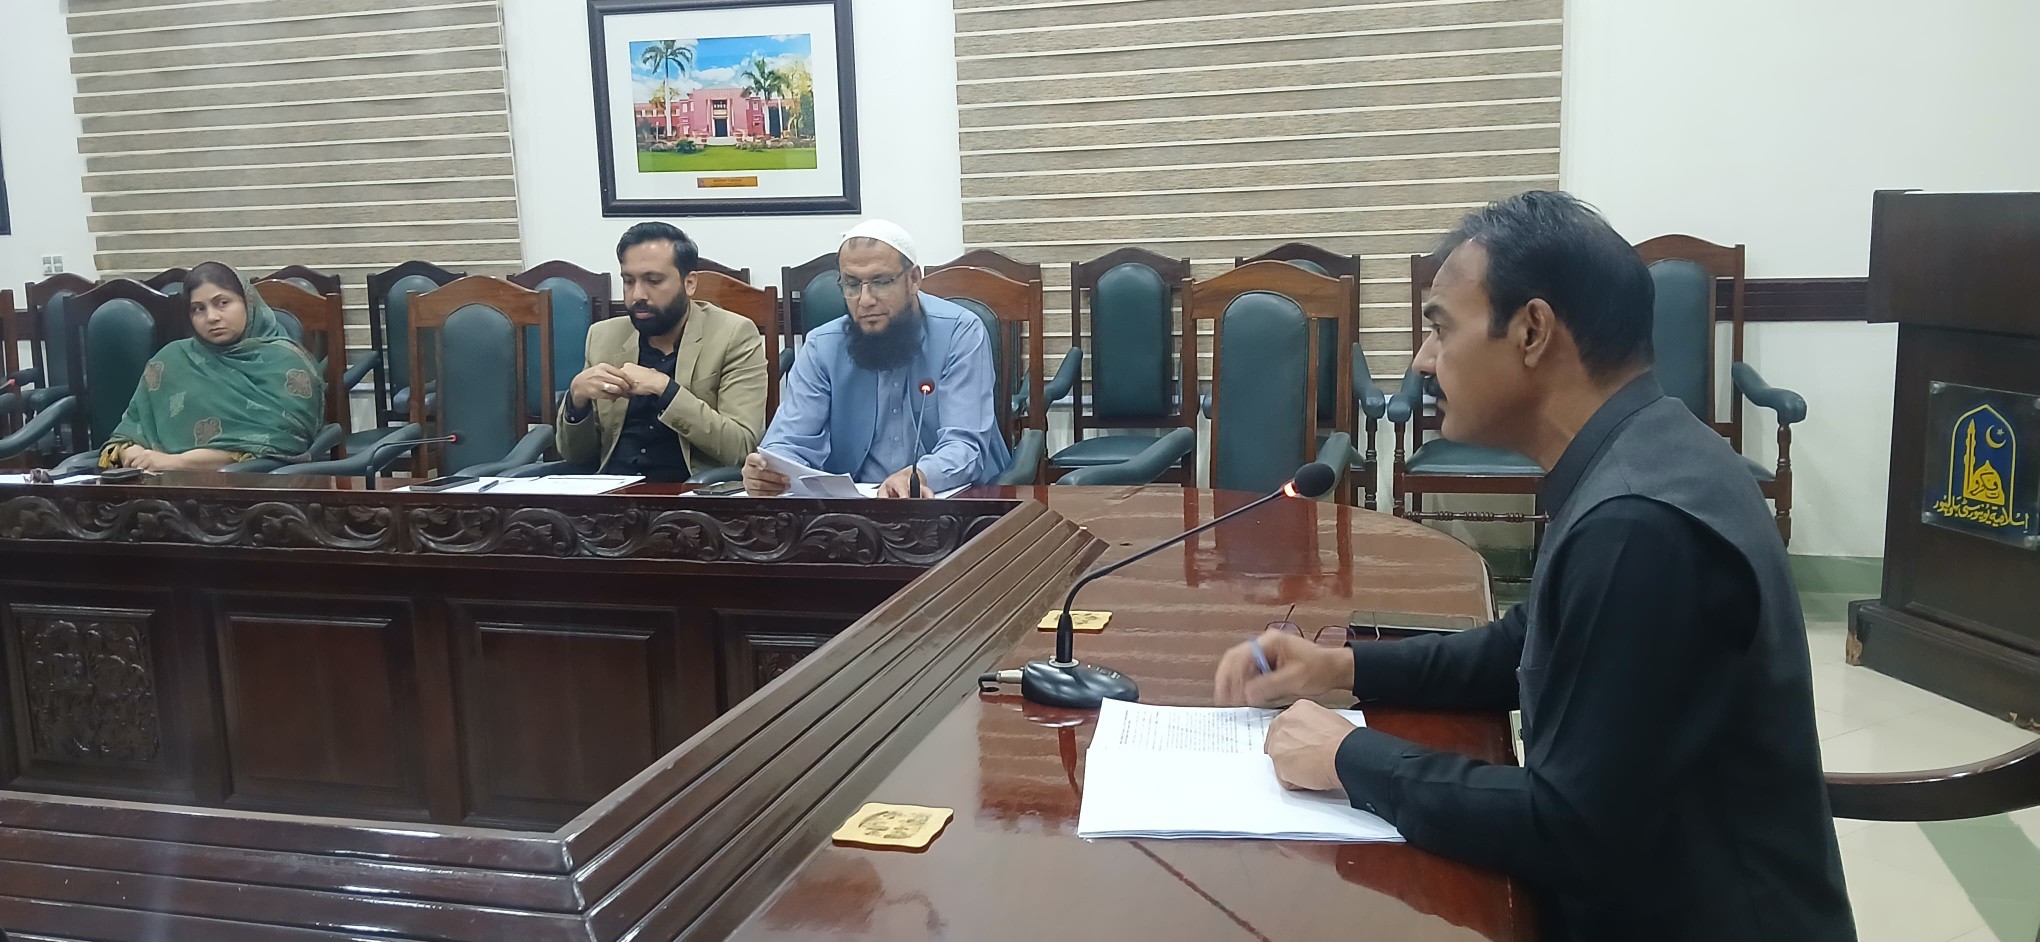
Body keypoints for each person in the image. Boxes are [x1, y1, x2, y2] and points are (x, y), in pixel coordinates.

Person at [1213, 192, 1854, 941]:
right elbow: (1529, 644)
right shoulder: (1649, 449)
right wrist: (1341, 668)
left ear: (1532, 331)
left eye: (1440, 329)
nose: (1423, 362)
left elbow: (1571, 829)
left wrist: (1351, 758)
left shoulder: (1637, 524)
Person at [741, 220, 1011, 497]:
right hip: (851, 507)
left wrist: (917, 477)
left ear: (913, 279)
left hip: (955, 499)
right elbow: (789, 439)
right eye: (852, 284)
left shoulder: (960, 331)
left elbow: (965, 445)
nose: (865, 300)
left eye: (881, 282)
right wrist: (768, 470)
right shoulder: (821, 346)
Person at [557, 222, 767, 481]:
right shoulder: (603, 337)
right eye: (628, 281)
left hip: (690, 491)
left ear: (689, 283)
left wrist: (665, 390)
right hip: (613, 491)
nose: (637, 295)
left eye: (653, 281)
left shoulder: (734, 335)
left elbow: (741, 447)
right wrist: (577, 401)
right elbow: (576, 457)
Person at [101, 261, 325, 471]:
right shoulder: (171, 359)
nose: (211, 317)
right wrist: (132, 452)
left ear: (248, 302)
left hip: (251, 488)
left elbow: (283, 444)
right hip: (155, 485)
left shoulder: (286, 362)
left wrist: (176, 462)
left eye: (222, 303)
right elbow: (130, 430)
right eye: (198, 309)